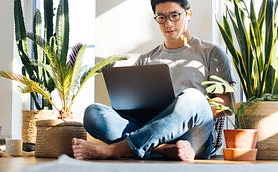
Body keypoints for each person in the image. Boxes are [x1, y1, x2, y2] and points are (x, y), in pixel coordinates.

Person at [72, 0, 236, 162]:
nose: (168, 23)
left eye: (174, 15)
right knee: (93, 113)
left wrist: (177, 114)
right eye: (161, 17)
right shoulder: (146, 59)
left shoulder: (212, 53)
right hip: (150, 127)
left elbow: (226, 103)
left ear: (189, 13)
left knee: (192, 98)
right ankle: (162, 149)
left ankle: (115, 150)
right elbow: (134, 106)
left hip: (193, 135)